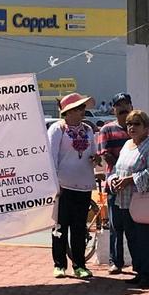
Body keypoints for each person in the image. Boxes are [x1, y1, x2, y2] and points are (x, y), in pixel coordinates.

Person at [107, 109, 149, 287]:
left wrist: (130, 180)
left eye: (137, 124)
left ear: (146, 127)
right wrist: (114, 180)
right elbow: (116, 168)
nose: (132, 127)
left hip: (143, 201)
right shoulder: (127, 145)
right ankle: (139, 271)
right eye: (129, 124)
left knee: (145, 238)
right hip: (124, 201)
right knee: (132, 238)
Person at [47, 93, 98, 280]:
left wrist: (96, 158)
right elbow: (51, 157)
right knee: (60, 227)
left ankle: (79, 265)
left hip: (83, 185)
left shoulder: (88, 129)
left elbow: (93, 152)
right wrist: (53, 185)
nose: (82, 111)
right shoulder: (57, 129)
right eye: (78, 108)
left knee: (79, 227)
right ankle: (59, 264)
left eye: (83, 108)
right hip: (63, 185)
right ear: (67, 112)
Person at [96, 92, 133, 274]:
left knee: (136, 225)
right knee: (115, 225)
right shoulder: (107, 130)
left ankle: (138, 260)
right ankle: (115, 261)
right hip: (115, 183)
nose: (123, 108)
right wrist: (124, 171)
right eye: (119, 105)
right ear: (114, 109)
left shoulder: (141, 127)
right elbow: (106, 155)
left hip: (136, 185)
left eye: (126, 104)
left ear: (132, 107)